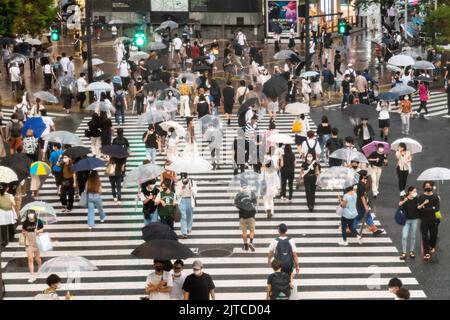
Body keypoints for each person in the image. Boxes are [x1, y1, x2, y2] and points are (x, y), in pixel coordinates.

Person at [418, 181, 439, 261]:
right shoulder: (421, 197)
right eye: (426, 186)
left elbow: (437, 209)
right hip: (424, 220)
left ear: (432, 187)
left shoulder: (435, 197)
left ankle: (431, 246)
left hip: (433, 219)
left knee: (434, 235)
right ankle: (426, 252)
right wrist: (431, 209)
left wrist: (426, 209)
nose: (428, 187)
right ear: (424, 187)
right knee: (424, 236)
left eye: (429, 186)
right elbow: (420, 210)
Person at [21, 209, 43, 283]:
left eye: (32, 213)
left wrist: (38, 231)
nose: (30, 214)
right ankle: (32, 275)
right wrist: (24, 233)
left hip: (36, 242)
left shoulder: (38, 221)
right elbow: (23, 230)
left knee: (37, 258)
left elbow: (42, 229)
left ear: (34, 214)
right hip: (29, 242)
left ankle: (40, 266)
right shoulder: (25, 222)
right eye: (29, 213)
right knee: (30, 259)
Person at [398, 186, 419, 260]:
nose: (415, 193)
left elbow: (419, 207)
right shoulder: (404, 197)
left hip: (414, 220)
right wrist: (405, 200)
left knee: (413, 236)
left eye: (415, 191)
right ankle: (404, 252)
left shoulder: (416, 199)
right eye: (414, 191)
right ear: (410, 192)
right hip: (406, 220)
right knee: (404, 236)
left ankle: (411, 251)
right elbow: (399, 204)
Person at [234, 183, 257, 251]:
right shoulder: (251, 193)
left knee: (244, 232)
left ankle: (245, 246)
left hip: (242, 215)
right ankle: (251, 242)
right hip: (251, 214)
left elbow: (236, 203)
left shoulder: (239, 194)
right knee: (252, 230)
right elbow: (255, 202)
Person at [176, 173, 197, 239]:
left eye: (185, 178)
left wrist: (191, 188)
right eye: (182, 178)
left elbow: (195, 193)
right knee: (183, 216)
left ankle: (188, 228)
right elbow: (177, 194)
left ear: (187, 177)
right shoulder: (179, 183)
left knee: (189, 215)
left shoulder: (192, 182)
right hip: (182, 200)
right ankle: (184, 233)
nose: (184, 179)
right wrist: (182, 189)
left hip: (190, 200)